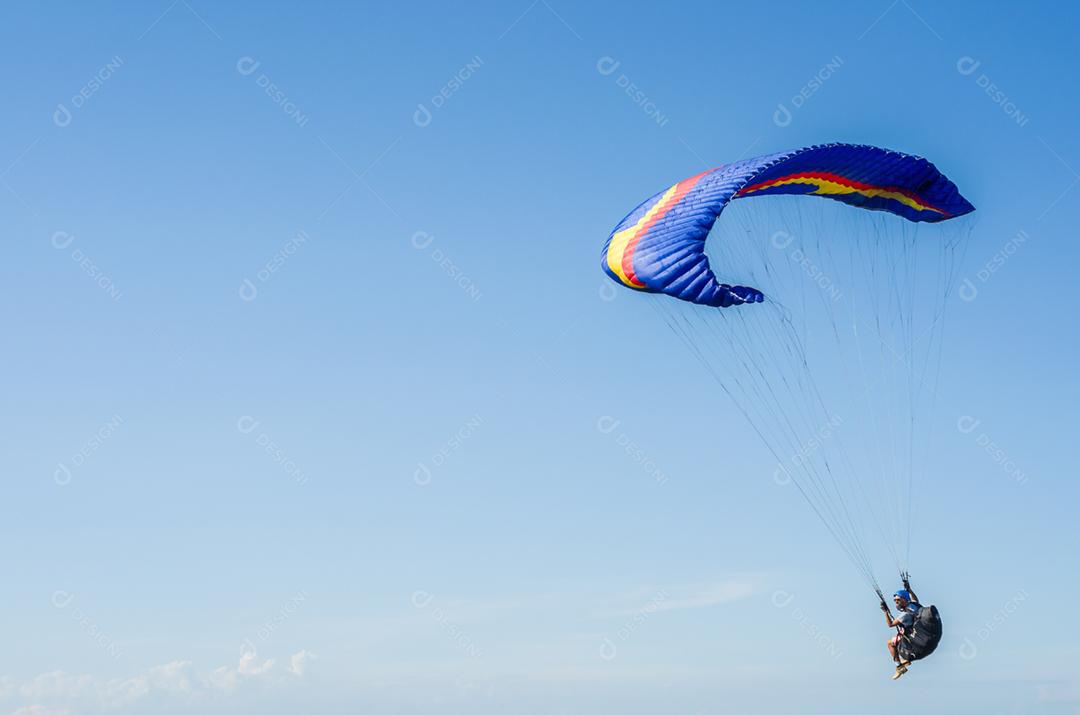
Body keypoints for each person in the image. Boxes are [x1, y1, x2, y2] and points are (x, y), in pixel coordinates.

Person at [880, 574, 920, 680]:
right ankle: (904, 659)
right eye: (895, 600)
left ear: (904, 600)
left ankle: (899, 666)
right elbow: (915, 599)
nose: (896, 602)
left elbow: (890, 625)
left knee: (889, 643)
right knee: (896, 641)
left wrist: (885, 612)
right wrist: (909, 589)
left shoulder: (904, 615)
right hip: (915, 632)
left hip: (910, 636)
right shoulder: (913, 606)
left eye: (898, 600)